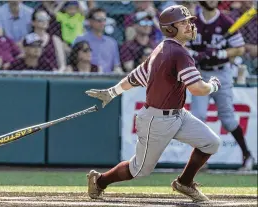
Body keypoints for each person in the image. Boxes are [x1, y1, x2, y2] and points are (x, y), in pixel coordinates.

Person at [85, 5, 222, 203]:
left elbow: (136, 76)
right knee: (139, 170)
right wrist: (213, 86)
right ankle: (100, 181)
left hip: (178, 114)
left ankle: (184, 183)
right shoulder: (178, 53)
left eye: (189, 21)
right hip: (156, 120)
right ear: (170, 28)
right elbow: (198, 89)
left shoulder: (163, 48)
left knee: (211, 142)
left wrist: (112, 92)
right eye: (183, 23)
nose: (189, 25)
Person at [187, 1, 254, 171]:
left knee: (228, 120)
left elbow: (239, 49)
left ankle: (247, 155)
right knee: (198, 116)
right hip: (200, 73)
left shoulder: (226, 22)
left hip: (221, 73)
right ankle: (201, 158)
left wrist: (219, 52)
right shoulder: (192, 22)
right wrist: (195, 54)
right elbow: (181, 45)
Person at [72, 8, 122, 74]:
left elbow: (116, 65)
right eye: (99, 20)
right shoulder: (80, 39)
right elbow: (73, 60)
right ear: (90, 21)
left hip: (107, 78)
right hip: (87, 77)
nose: (102, 23)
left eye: (104, 20)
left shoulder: (112, 42)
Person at [230, 1, 257, 75]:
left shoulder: (256, 15)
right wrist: (247, 47)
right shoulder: (233, 16)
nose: (250, 1)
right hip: (239, 52)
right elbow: (230, 39)